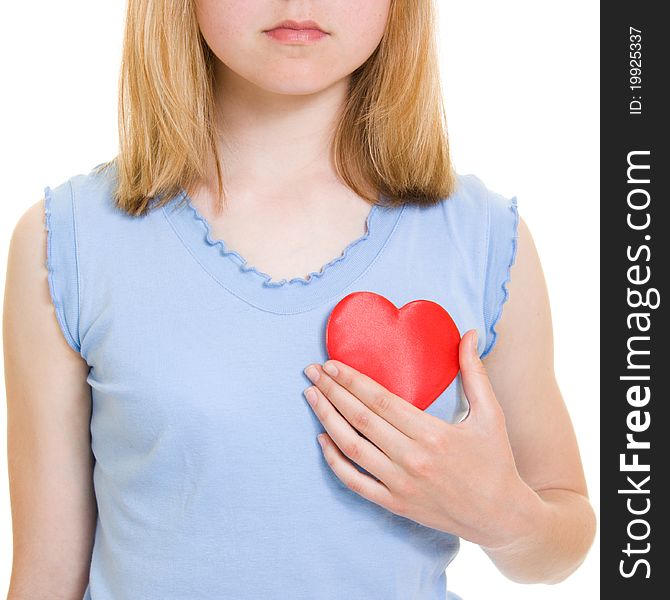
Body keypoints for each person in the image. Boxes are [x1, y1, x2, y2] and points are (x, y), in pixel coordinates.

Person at [3, 1, 596, 598]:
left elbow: (562, 537)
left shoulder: (483, 238)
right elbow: (45, 577)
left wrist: (503, 518)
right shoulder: (69, 241)